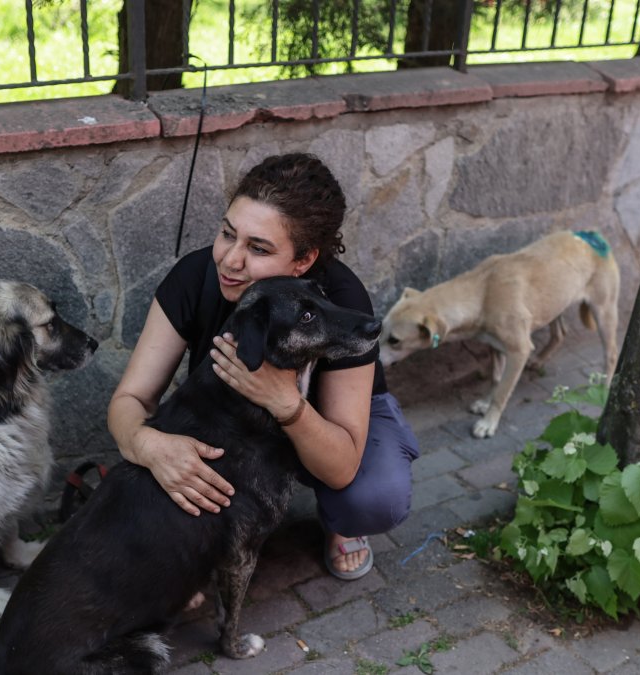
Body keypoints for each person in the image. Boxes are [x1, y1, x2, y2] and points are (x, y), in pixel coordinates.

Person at [107, 152, 420, 580]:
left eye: (258, 248)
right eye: (227, 234)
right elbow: (130, 398)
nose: (230, 260)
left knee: (371, 498)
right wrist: (147, 445)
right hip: (241, 421)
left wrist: (283, 401)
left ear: (303, 260)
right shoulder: (195, 276)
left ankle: (340, 524)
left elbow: (342, 465)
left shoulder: (342, 298)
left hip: (334, 419)